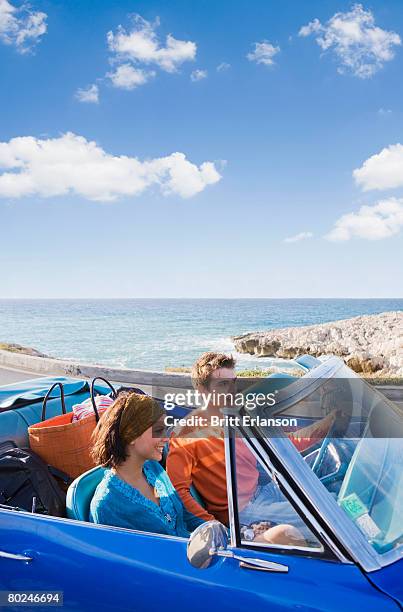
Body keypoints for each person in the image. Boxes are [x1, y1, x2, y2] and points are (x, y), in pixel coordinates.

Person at [166, 352, 316, 546]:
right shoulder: (185, 434)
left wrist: (330, 423)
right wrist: (217, 528)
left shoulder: (236, 416)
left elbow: (284, 443)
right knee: (325, 517)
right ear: (201, 389)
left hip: (263, 490)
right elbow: (179, 491)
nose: (232, 391)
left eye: (233, 382)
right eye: (222, 384)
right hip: (244, 510)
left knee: (329, 494)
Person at [89, 392, 204, 537]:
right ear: (131, 435)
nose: (165, 439)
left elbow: (186, 516)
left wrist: (222, 533)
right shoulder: (106, 505)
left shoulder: (153, 468)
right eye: (157, 430)